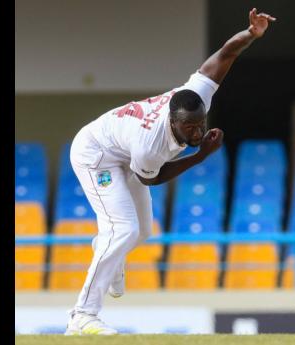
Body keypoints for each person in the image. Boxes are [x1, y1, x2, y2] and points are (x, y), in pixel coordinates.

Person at [65, 7, 276, 336]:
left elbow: (224, 54)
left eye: (200, 125)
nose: (196, 132)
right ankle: (83, 315)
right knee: (122, 230)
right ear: (172, 120)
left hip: (124, 153)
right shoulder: (152, 143)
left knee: (142, 232)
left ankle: (106, 250)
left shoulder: (195, 97)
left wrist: (250, 34)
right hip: (96, 155)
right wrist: (201, 155)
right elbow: (151, 177)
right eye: (189, 128)